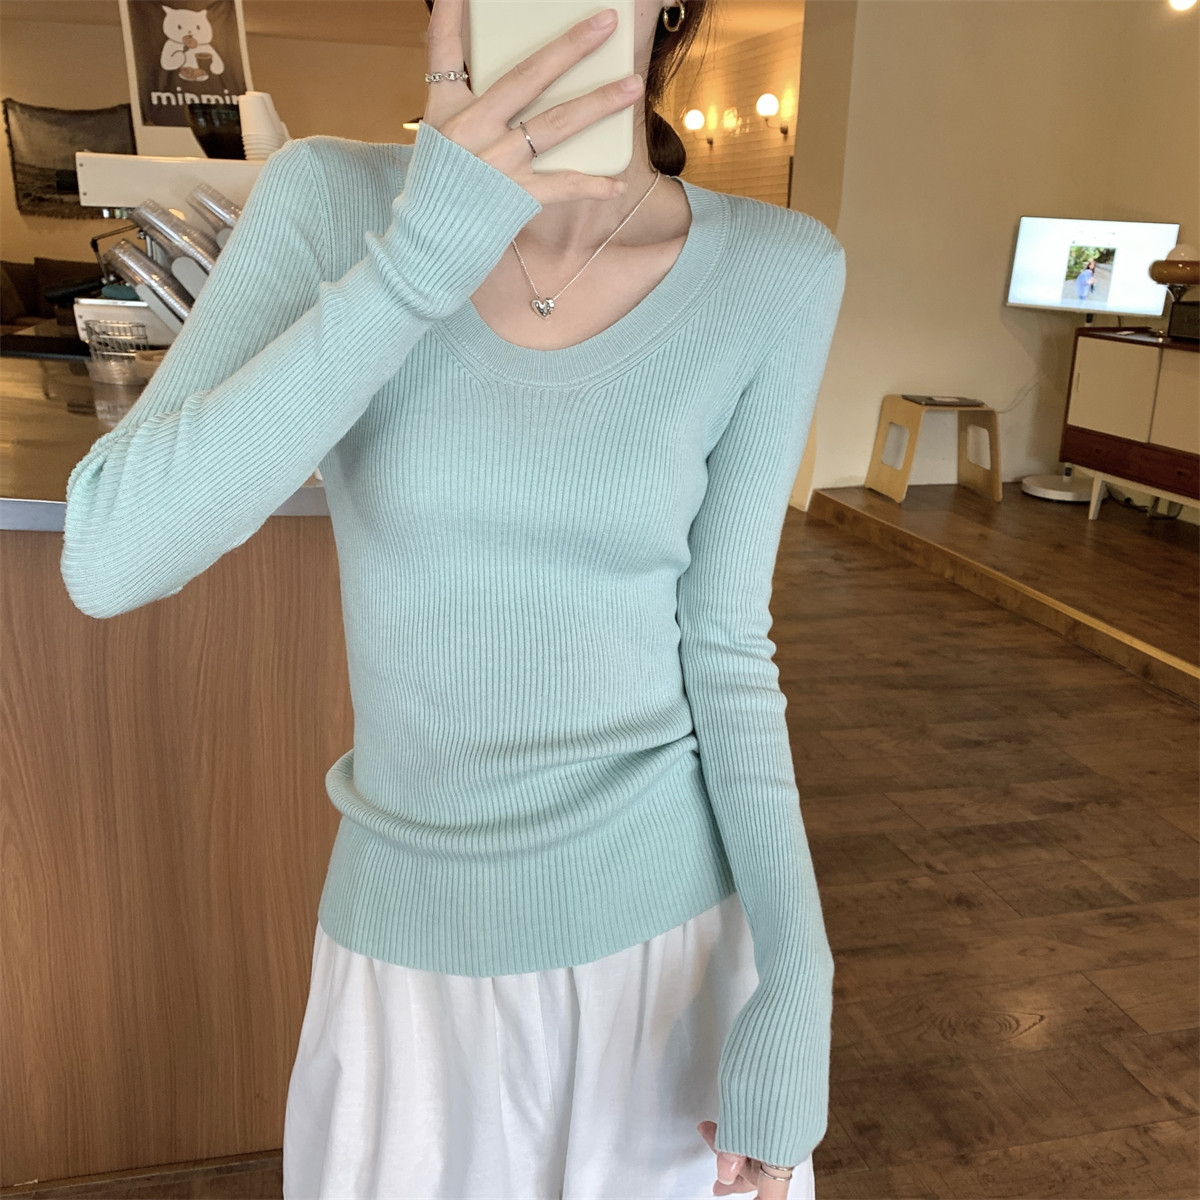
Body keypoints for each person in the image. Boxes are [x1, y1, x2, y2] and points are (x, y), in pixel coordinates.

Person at [59, 1, 844, 1196]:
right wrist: (423, 251)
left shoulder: (780, 270)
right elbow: (111, 557)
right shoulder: (334, 201)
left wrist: (797, 982)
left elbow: (729, 645)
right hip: (408, 963)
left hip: (669, 954)